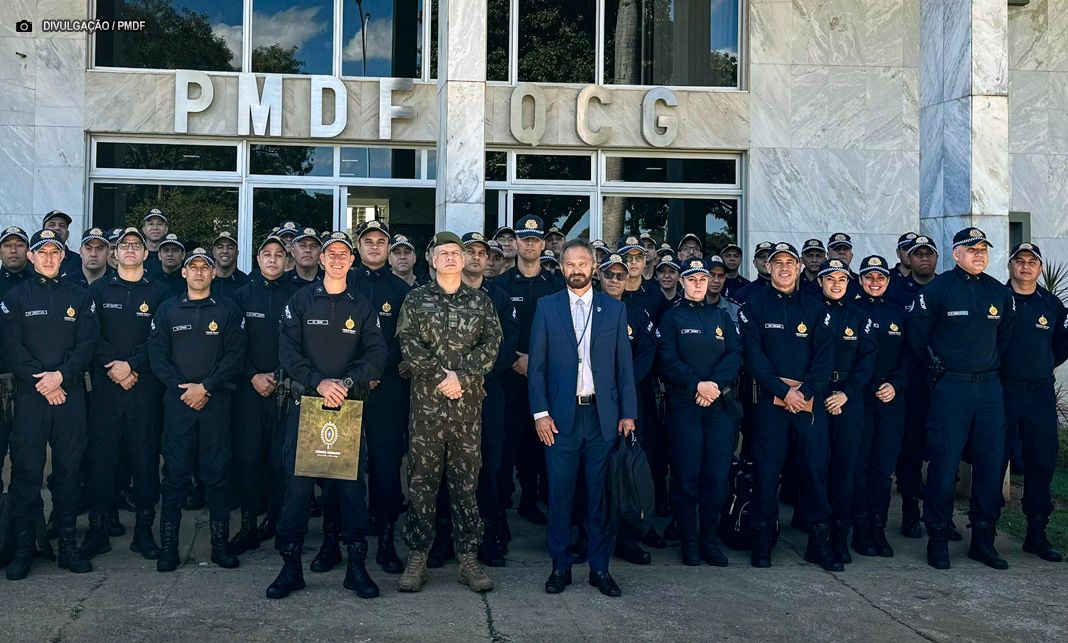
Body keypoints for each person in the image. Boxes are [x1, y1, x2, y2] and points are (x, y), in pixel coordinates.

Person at [266, 231, 387, 600]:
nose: (337, 259)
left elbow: (376, 353)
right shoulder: (299, 301)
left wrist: (346, 382)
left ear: (352, 262)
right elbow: (287, 353)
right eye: (330, 253)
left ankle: (356, 569)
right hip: (307, 407)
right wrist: (318, 382)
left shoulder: (361, 305)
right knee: (297, 491)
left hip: (347, 409)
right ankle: (290, 569)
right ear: (320, 260)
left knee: (352, 492)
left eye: (343, 254)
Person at [529, 239, 638, 597]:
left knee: (599, 497)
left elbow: (624, 366)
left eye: (583, 263)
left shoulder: (614, 309)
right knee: (560, 496)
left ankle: (600, 568)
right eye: (570, 264)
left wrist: (628, 414)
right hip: (560, 419)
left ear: (594, 267)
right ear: (561, 268)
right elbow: (537, 368)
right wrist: (540, 414)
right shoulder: (547, 307)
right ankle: (560, 567)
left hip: (602, 417)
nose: (576, 269)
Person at [396, 232, 502, 593]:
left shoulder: (480, 301)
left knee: (465, 484)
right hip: (426, 409)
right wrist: (442, 376)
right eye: (444, 253)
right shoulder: (415, 299)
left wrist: (463, 374)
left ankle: (468, 558)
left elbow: (493, 343)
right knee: (422, 481)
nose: (452, 258)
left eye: (457, 253)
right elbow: (408, 344)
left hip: (467, 408)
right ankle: (418, 556)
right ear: (432, 259)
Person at [907, 227, 1015, 570]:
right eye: (972, 250)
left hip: (989, 389)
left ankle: (983, 540)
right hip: (951, 388)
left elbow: (1005, 339)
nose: (979, 254)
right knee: (944, 464)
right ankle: (937, 537)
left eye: (983, 249)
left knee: (990, 464)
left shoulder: (999, 292)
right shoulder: (939, 289)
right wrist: (938, 372)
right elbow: (918, 337)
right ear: (956, 254)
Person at [1, 229, 99, 580]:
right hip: (31, 397)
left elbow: (87, 343)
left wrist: (61, 376)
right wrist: (44, 383)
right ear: (31, 256)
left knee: (70, 472)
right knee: (26, 473)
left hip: (69, 395)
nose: (47, 258)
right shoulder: (15, 297)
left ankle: (68, 544)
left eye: (54, 253)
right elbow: (12, 347)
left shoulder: (79, 295)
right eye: (41, 252)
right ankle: (25, 546)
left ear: (62, 257)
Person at [737, 242, 839, 571]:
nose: (783, 267)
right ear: (767, 267)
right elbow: (753, 358)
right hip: (770, 404)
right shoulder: (753, 305)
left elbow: (825, 358)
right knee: (767, 474)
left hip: (809, 404)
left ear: (798, 267)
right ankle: (762, 541)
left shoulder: (815, 306)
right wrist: (783, 391)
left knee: (814, 472)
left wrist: (805, 392)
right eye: (776, 262)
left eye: (789, 262)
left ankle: (818, 543)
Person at [148, 247, 247, 572]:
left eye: (206, 267)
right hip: (178, 404)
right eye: (194, 267)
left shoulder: (228, 309)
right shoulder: (167, 310)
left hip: (215, 402)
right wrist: (184, 389)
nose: (200, 272)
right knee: (175, 477)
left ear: (214, 273)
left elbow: (235, 355)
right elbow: (157, 356)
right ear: (184, 273)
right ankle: (169, 548)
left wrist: (205, 387)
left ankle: (219, 546)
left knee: (217, 476)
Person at [80, 227, 171, 561]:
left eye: (137, 245)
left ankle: (145, 531)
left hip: (144, 391)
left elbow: (160, 341)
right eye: (124, 246)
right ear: (114, 254)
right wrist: (115, 367)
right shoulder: (98, 290)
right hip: (105, 391)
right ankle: (98, 530)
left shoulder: (160, 293)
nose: (131, 250)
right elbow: (90, 336)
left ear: (146, 254)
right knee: (102, 462)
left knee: (145, 461)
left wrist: (131, 366)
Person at [656, 257, 742, 566]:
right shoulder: (672, 318)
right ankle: (689, 541)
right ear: (681, 282)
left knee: (716, 477)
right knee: (686, 476)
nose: (697, 283)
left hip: (718, 407)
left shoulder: (720, 316)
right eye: (691, 279)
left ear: (710, 282)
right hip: (685, 407)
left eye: (702, 279)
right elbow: (667, 360)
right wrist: (697, 386)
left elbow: (735, 354)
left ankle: (709, 539)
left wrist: (714, 386)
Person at [339, 219, 412, 575]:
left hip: (385, 390)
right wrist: (354, 375)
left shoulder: (400, 291)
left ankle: (385, 540)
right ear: (358, 246)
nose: (374, 247)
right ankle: (333, 542)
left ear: (387, 248)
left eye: (380, 242)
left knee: (385, 469)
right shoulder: (342, 283)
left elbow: (405, 341)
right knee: (338, 466)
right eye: (367, 241)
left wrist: (374, 372)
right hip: (344, 391)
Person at [228, 235, 299, 555]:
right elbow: (230, 348)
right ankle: (247, 526)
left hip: (286, 392)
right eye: (266, 254)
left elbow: (300, 345)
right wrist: (252, 375)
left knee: (281, 463)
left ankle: (280, 523)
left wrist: (281, 376)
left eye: (278, 255)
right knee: (248, 460)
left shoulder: (299, 296)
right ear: (257, 259)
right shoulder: (241, 296)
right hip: (249, 391)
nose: (272, 259)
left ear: (288, 261)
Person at [494, 215, 563, 535]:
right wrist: (515, 360)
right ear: (517, 243)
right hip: (509, 377)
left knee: (538, 445)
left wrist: (534, 360)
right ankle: (500, 507)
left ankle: (531, 501)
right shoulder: (502, 286)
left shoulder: (556, 286)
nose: (531, 244)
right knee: (505, 444)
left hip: (545, 378)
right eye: (525, 239)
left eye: (536, 239)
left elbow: (565, 333)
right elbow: (494, 334)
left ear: (543, 244)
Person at [1001, 242, 1068, 562]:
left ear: (1040, 268)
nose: (1025, 266)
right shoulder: (997, 299)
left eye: (1032, 262)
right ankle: (983, 532)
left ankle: (1036, 533)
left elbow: (1060, 347)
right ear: (1010, 265)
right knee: (993, 459)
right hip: (1002, 391)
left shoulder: (1052, 305)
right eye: (1020, 261)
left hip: (1039, 393)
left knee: (1041, 462)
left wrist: (1037, 366)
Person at [598, 253, 657, 565]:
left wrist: (623, 382)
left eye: (620, 275)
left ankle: (628, 537)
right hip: (597, 402)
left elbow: (648, 352)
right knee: (597, 472)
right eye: (609, 274)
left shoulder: (636, 310)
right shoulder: (590, 307)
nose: (615, 280)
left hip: (631, 400)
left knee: (628, 471)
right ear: (600, 276)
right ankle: (593, 534)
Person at [817, 258, 876, 564]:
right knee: (817, 469)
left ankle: (841, 538)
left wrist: (846, 394)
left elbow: (867, 362)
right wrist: (822, 392)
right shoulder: (811, 311)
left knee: (845, 469)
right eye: (830, 279)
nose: (836, 284)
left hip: (849, 399)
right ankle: (819, 538)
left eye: (842, 279)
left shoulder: (859, 316)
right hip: (816, 396)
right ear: (820, 282)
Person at [852, 255, 911, 559]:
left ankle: (878, 527)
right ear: (860, 280)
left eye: (880, 278)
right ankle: (860, 528)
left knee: (883, 467)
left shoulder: (898, 313)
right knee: (859, 466)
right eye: (869, 277)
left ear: (888, 281)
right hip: (859, 400)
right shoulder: (851, 311)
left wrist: (896, 384)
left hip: (889, 399)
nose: (875, 283)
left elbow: (909, 357)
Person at [887, 234, 942, 539]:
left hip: (945, 382)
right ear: (908, 258)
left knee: (942, 451)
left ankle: (939, 515)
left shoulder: (947, 289)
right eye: (917, 254)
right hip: (910, 382)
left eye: (928, 254)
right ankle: (910, 511)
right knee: (910, 450)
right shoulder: (896, 291)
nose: (923, 259)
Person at [42, 210, 83, 277]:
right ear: (42, 232)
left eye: (62, 225)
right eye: (52, 225)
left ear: (67, 234)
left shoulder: (79, 261)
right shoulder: (33, 260)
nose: (57, 228)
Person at [209, 231, 249, 300]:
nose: (225, 251)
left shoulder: (246, 283)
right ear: (213, 253)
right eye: (220, 247)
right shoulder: (204, 280)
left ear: (237, 253)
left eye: (230, 247)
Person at [0, 226, 31, 298]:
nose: (13, 250)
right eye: (7, 245)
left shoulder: (40, 284)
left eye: (19, 245)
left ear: (28, 253)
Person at [142, 209, 168, 276]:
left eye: (159, 224)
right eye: (151, 224)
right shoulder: (137, 255)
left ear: (166, 229)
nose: (155, 228)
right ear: (144, 229)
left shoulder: (171, 257)